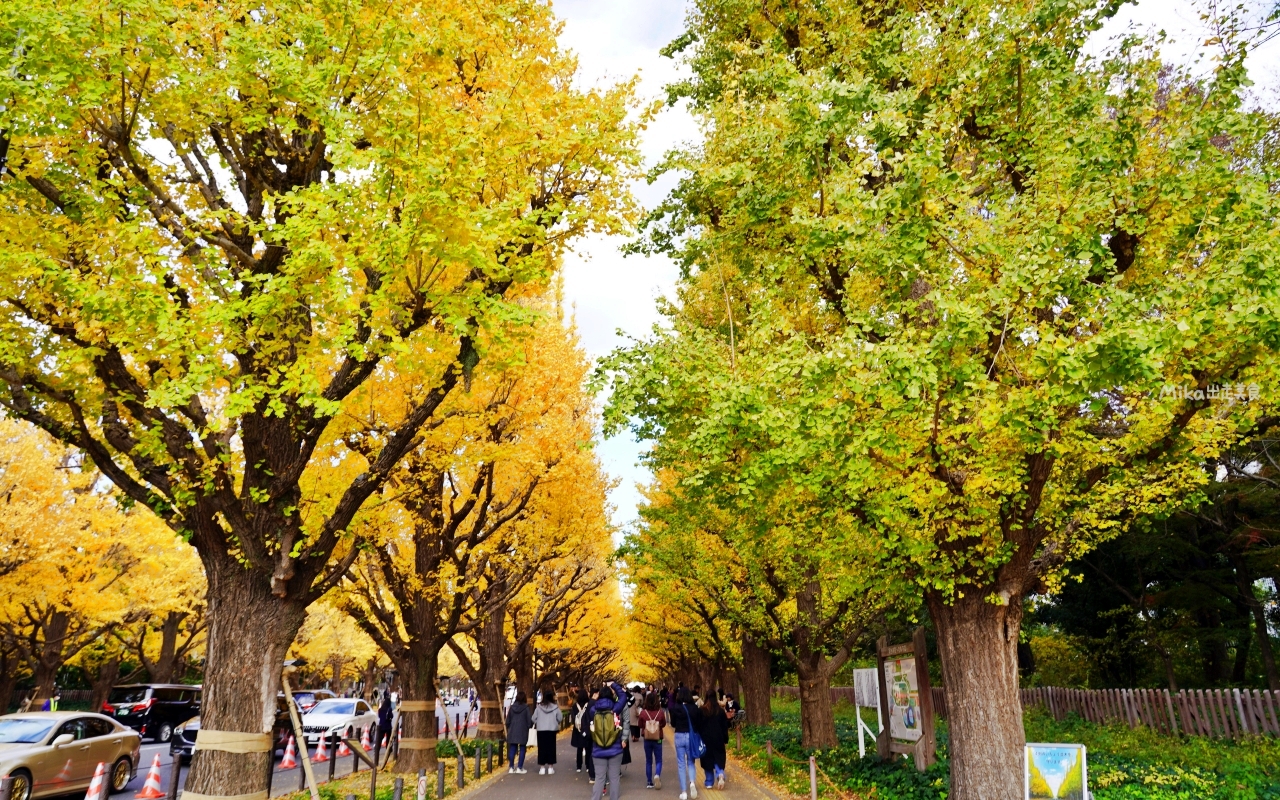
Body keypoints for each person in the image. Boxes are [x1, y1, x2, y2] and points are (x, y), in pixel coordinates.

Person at [588, 681, 629, 800]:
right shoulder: (615, 708)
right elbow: (623, 696)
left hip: (598, 750)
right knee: (614, 779)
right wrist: (613, 685)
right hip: (615, 749)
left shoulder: (593, 710)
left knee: (599, 779)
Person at [667, 687, 701, 800]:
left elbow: (673, 723)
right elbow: (698, 722)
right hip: (691, 737)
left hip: (679, 736)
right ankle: (692, 782)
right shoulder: (694, 708)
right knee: (691, 762)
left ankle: (684, 792)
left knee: (681, 764)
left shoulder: (676, 707)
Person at [698, 694, 729, 790]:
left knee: (707, 760)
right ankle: (720, 774)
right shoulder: (720, 711)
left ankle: (709, 782)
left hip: (705, 739)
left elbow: (698, 726)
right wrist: (725, 739)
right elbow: (725, 727)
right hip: (718, 738)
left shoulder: (702, 711)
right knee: (718, 758)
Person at [638, 691, 666, 790]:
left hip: (647, 738)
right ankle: (657, 775)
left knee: (648, 761)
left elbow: (640, 725)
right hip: (658, 739)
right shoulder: (661, 713)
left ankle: (649, 782)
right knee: (659, 760)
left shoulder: (643, 713)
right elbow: (663, 724)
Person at [532, 686, 561, 775]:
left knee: (542, 748)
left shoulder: (539, 707)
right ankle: (550, 768)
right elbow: (560, 718)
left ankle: (542, 768)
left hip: (541, 730)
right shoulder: (555, 708)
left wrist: (539, 722)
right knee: (551, 748)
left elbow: (533, 718)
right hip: (551, 730)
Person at [505, 690, 532, 774]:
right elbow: (529, 721)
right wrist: (529, 726)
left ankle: (511, 767)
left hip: (513, 730)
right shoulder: (526, 708)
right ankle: (520, 767)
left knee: (513, 748)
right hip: (523, 731)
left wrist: (510, 727)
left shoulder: (512, 707)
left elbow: (507, 721)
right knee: (522, 748)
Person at [572, 688, 596, 781]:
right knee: (588, 748)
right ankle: (588, 766)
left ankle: (578, 766)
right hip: (586, 728)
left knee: (579, 748)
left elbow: (573, 717)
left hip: (577, 729)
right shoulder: (589, 705)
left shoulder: (575, 706)